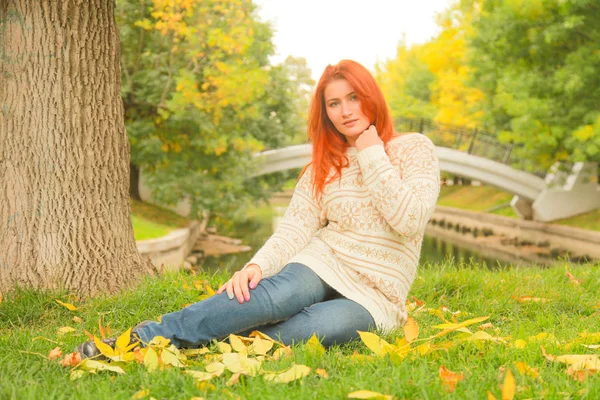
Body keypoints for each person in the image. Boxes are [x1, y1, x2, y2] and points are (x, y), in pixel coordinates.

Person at [76, 59, 440, 358]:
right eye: (334, 103)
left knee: (314, 329)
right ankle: (140, 340)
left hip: (377, 295)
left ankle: (212, 335)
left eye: (354, 98)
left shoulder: (413, 149)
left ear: (371, 98)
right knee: (274, 296)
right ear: (325, 112)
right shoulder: (323, 166)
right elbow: (295, 229)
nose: (345, 111)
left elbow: (408, 220)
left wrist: (372, 151)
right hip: (324, 261)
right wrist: (256, 266)